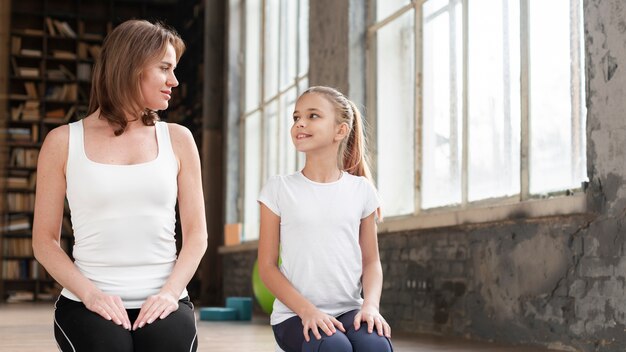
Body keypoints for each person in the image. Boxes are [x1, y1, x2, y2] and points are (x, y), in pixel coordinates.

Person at [32, 20, 208, 352]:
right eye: (165, 68)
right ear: (132, 67)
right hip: (86, 301)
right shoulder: (62, 142)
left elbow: (197, 234)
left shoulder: (179, 139)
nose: (175, 81)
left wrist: (170, 293)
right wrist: (91, 294)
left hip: (164, 300)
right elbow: (45, 242)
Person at [257, 86, 393, 352]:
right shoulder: (278, 189)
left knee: (375, 346)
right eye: (296, 117)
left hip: (349, 311)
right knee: (334, 348)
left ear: (340, 131)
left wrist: (371, 306)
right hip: (294, 315)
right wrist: (308, 311)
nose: (300, 123)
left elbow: (371, 261)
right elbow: (267, 268)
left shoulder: (362, 190)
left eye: (313, 116)